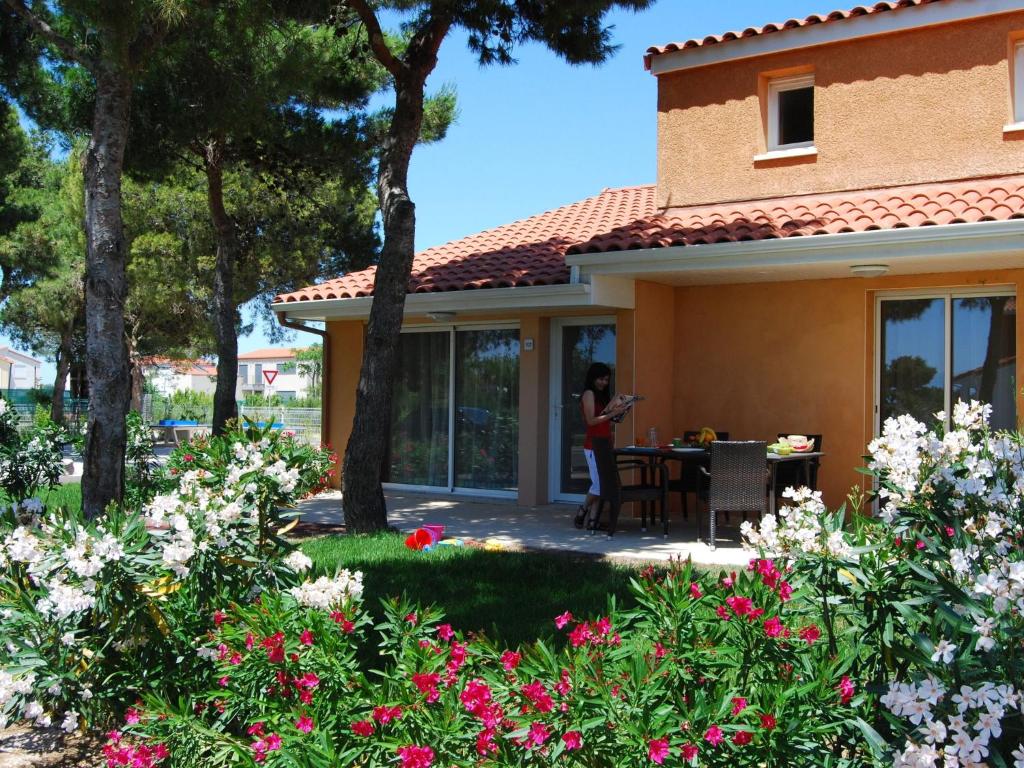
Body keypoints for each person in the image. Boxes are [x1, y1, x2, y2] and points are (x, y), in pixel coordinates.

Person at [574, 362, 629, 530]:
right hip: (594, 445)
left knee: (598, 482)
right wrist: (613, 413)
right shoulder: (588, 394)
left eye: (606, 380)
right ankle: (583, 510)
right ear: (593, 377)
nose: (603, 383)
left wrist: (619, 410)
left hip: (605, 442)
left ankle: (593, 521)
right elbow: (591, 421)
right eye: (600, 379)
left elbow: (604, 419)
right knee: (600, 484)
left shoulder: (600, 395)